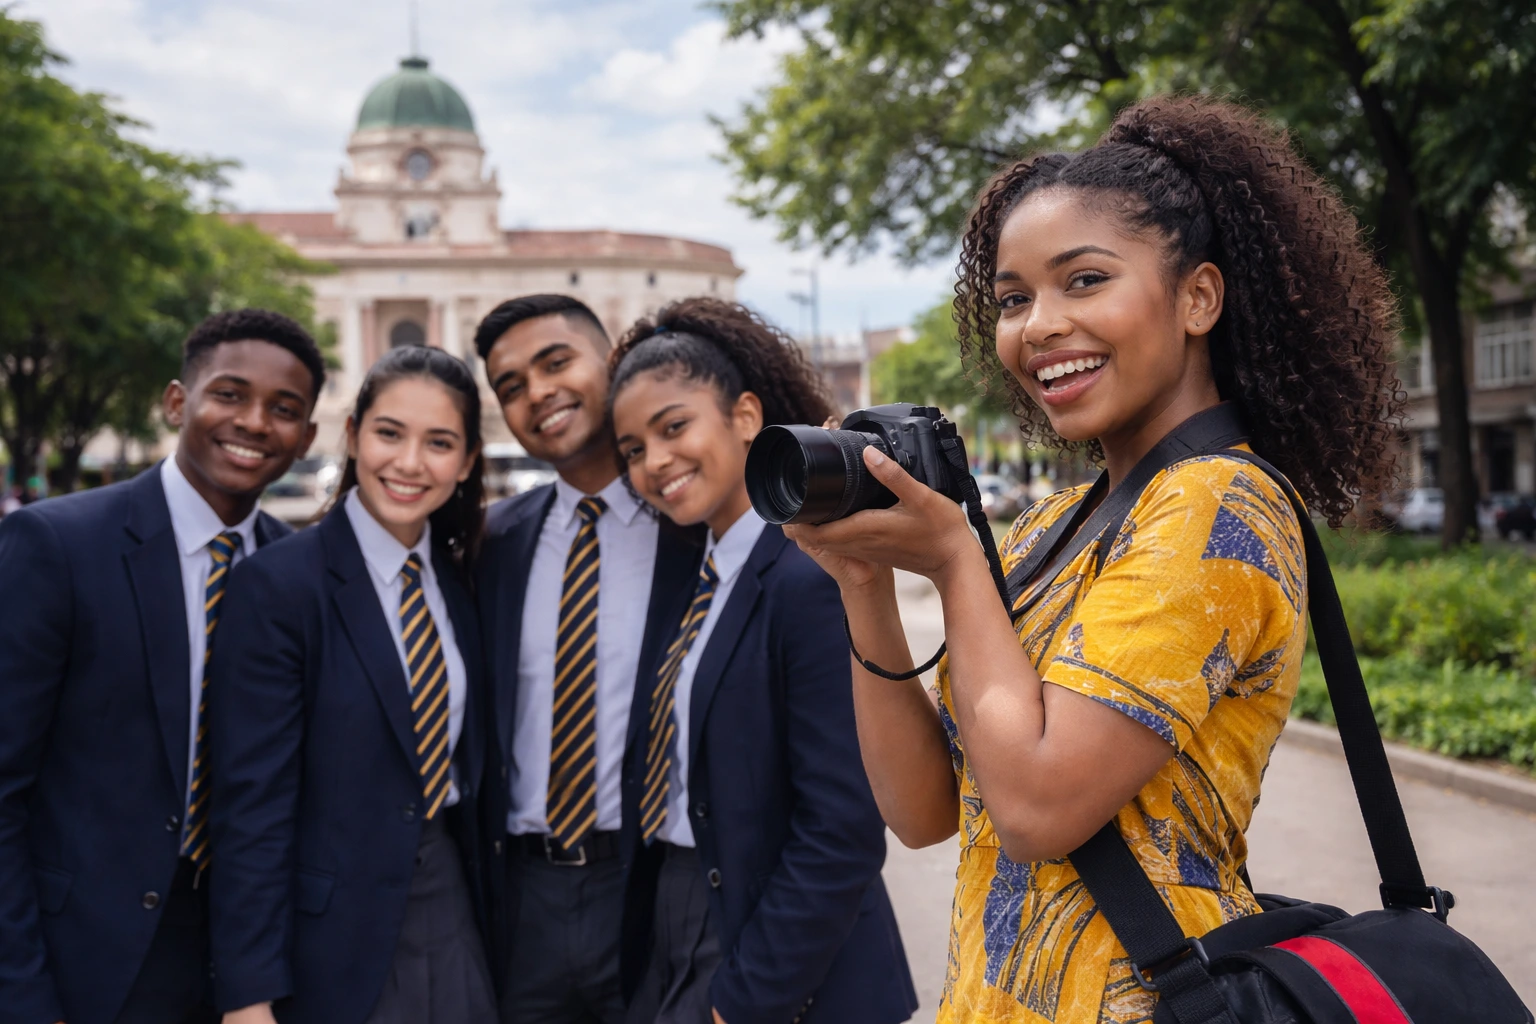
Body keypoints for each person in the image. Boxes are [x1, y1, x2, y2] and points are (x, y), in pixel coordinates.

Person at [785, 96, 1401, 1022]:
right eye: (1014, 298)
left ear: (1199, 297)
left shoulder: (1217, 505)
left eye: (1084, 281)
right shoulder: (1052, 526)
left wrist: (954, 561)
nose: (1038, 325)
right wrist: (863, 584)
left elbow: (1036, 809)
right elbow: (922, 813)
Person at [0, 309, 325, 1024]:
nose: (253, 422)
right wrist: (24, 999)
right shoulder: (56, 546)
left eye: (284, 410)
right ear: (178, 401)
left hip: (252, 958)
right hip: (86, 958)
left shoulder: (299, 571)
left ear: (307, 439)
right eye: (230, 394)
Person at [609, 298, 918, 1024]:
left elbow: (842, 825)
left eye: (674, 426)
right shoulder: (696, 575)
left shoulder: (810, 573)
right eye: (632, 449)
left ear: (745, 417)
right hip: (692, 919)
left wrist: (747, 1001)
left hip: (788, 965)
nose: (655, 462)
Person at [208, 345, 498, 1024]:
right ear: (353, 436)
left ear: (467, 463)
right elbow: (250, 805)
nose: (409, 463)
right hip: (328, 936)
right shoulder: (280, 585)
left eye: (440, 443)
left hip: (450, 907)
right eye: (389, 433)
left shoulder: (460, 586)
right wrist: (247, 995)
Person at [472, 294, 702, 1024]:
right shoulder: (489, 543)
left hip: (651, 886)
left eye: (554, 362)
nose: (536, 392)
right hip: (521, 900)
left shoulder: (700, 534)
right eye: (510, 386)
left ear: (611, 363)